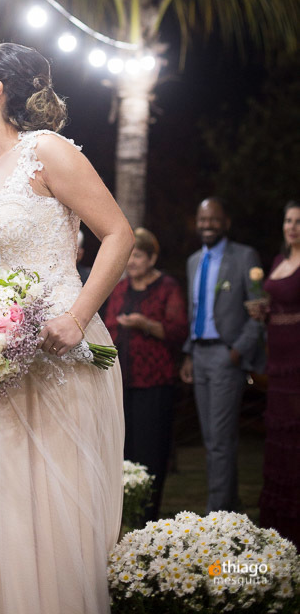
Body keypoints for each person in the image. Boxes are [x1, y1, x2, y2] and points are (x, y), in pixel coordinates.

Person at [0, 42, 134, 614]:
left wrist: (75, 317)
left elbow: (119, 234)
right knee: (3, 506)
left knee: (54, 507)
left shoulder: (47, 152)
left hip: (61, 356)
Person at [179, 197, 265, 513]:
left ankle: (217, 512)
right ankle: (228, 506)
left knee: (220, 439)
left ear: (226, 222)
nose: (207, 225)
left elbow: (259, 311)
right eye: (203, 220)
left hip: (226, 356)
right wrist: (188, 354)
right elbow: (195, 312)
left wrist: (238, 350)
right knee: (211, 439)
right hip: (199, 354)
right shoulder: (192, 262)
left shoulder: (244, 257)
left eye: (214, 220)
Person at [104, 227, 187, 521]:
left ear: (152, 257)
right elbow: (108, 326)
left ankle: (148, 517)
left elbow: (178, 332)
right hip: (121, 383)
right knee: (122, 449)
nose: (131, 262)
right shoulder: (120, 287)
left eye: (137, 255)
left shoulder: (167, 287)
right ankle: (123, 516)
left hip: (154, 384)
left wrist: (145, 324)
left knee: (151, 452)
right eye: (129, 256)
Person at [248, 200, 300, 547]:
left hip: (298, 356)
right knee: (279, 436)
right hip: (276, 357)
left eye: (298, 221)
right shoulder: (280, 261)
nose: (292, 226)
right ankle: (280, 527)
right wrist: (263, 311)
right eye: (288, 220)